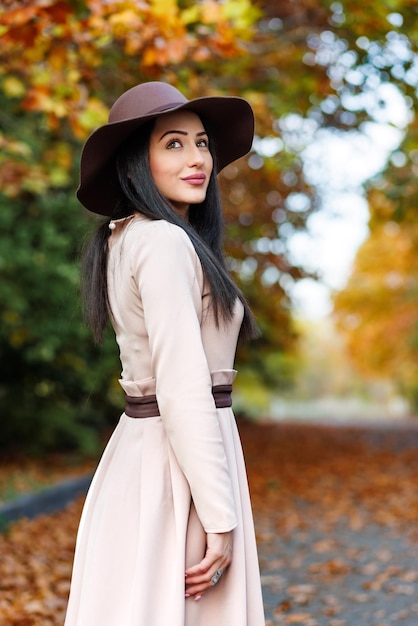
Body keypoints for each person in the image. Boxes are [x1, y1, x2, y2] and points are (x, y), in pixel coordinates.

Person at [64, 81, 265, 626]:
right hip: (178, 468)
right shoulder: (163, 241)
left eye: (201, 143)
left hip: (150, 456)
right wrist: (219, 516)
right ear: (135, 164)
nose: (197, 158)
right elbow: (181, 385)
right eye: (173, 144)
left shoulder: (126, 238)